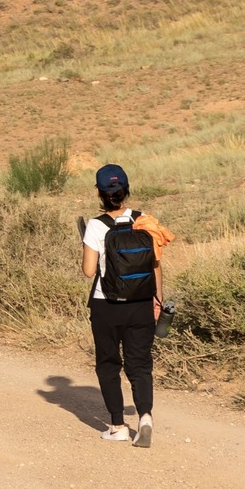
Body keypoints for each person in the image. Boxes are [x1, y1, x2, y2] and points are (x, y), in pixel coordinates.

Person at [82, 163, 172, 446]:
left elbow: (88, 271)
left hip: (106, 305)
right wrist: (156, 299)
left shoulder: (96, 225)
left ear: (99, 192)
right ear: (126, 189)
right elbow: (155, 264)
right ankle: (145, 417)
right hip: (142, 303)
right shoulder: (145, 220)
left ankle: (118, 425)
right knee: (140, 364)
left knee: (108, 363)